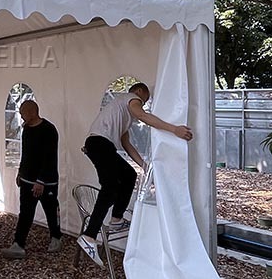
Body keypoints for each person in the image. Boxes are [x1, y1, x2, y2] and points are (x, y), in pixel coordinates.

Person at [78, 82, 194, 267]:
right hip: (99, 144)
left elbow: (127, 145)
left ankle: (116, 219)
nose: (143, 104)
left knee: (129, 175)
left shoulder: (122, 115)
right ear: (140, 92)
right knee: (110, 187)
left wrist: (144, 167)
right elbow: (143, 115)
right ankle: (89, 236)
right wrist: (174, 129)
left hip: (99, 145)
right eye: (145, 100)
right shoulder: (131, 99)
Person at [0, 99, 62, 259]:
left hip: (46, 182)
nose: (21, 117)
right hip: (27, 179)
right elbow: (26, 153)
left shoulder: (48, 130)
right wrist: (21, 172)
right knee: (25, 212)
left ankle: (56, 237)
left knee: (50, 210)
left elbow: (49, 157)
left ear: (32, 112)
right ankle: (18, 244)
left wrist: (41, 180)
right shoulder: (26, 129)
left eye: (22, 113)